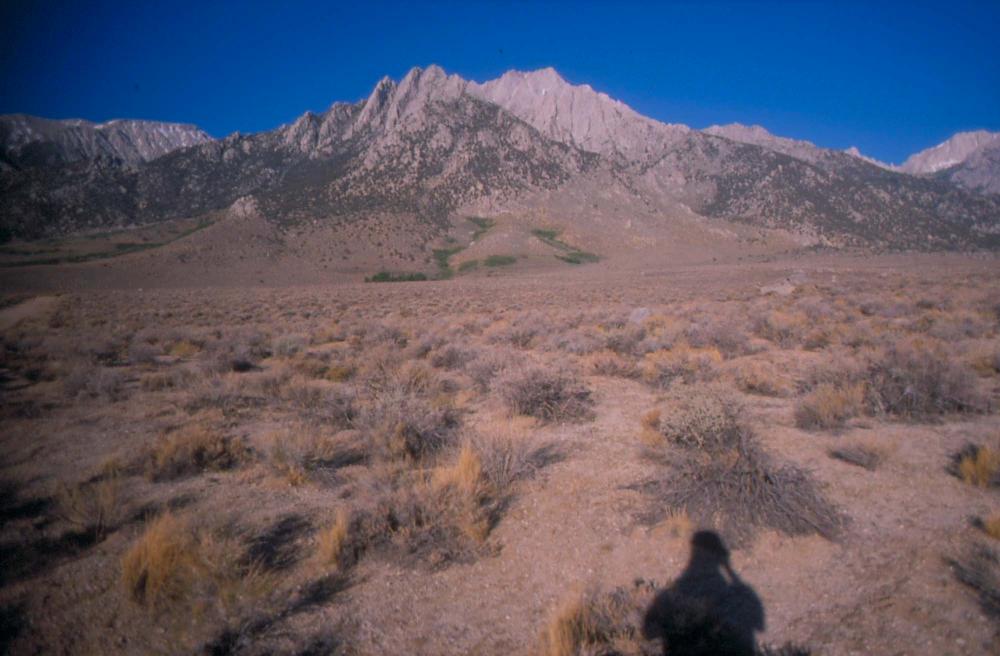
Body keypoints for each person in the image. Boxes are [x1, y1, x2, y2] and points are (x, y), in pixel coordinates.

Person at [643, 531, 764, 656]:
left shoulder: (669, 596)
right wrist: (730, 571)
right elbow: (757, 628)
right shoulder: (735, 595)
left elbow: (648, 632)